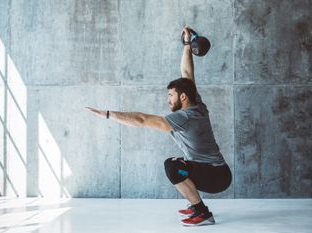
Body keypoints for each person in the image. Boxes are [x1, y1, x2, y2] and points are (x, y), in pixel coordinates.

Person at [85, 26, 232, 226]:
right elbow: (187, 73)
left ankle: (202, 213)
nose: (168, 100)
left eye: (170, 96)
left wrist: (108, 114)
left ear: (182, 97)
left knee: (173, 167)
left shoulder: (185, 116)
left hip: (216, 176)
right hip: (218, 171)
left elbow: (142, 120)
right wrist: (187, 44)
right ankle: (196, 206)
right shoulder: (195, 103)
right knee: (175, 162)